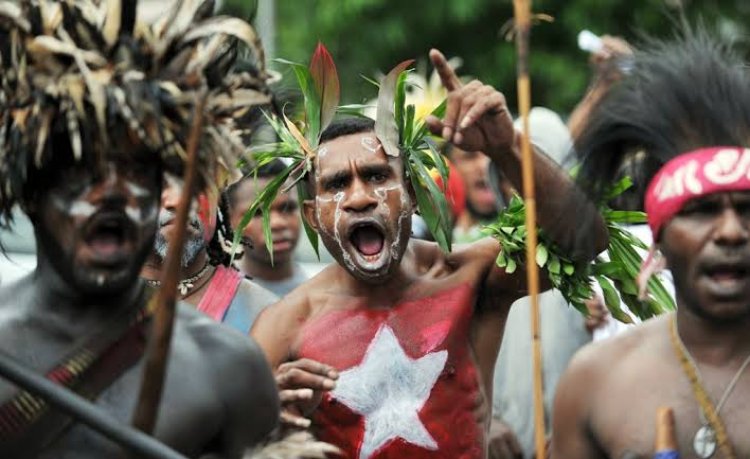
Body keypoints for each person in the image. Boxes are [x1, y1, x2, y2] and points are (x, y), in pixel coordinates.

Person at [251, 49, 608, 458]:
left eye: (376, 175)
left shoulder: (467, 277)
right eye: (336, 185)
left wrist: (506, 147)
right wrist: (267, 425)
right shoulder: (284, 327)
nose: (360, 198)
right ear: (313, 217)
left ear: (415, 195)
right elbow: (231, 443)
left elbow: (586, 241)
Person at [0, 1, 278, 457]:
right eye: (81, 168)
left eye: (135, 168)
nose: (112, 191)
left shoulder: (228, 369)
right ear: (30, 191)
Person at [552, 30, 750, 458]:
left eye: (748, 209)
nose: (732, 231)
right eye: (701, 210)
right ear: (658, 236)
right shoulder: (596, 382)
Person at [141, 177, 278, 332]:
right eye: (159, 183)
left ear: (218, 200)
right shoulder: (109, 304)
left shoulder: (264, 314)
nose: (178, 200)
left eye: (198, 184)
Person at [226, 160, 310, 298]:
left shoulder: (328, 295)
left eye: (288, 208)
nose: (277, 223)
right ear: (230, 221)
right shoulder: (216, 304)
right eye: (258, 213)